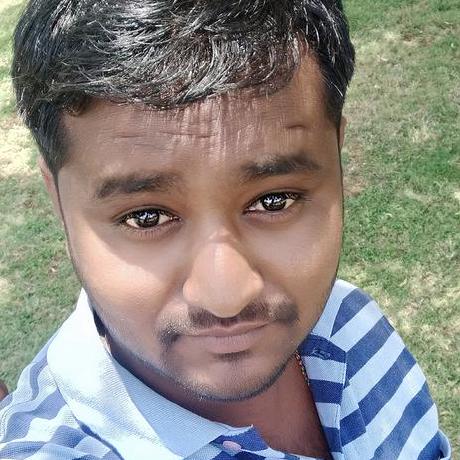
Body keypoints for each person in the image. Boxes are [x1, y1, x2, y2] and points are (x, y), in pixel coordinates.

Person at [0, 0, 451, 459]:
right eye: (146, 217)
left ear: (337, 155)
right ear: (58, 199)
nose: (227, 296)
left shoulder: (349, 319)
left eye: (274, 201)